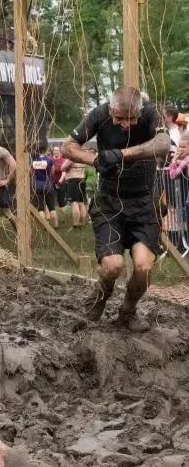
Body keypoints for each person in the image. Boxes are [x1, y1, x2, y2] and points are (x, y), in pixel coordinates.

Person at [61, 86, 169, 326]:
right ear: (111, 110)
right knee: (112, 266)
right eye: (120, 118)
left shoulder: (151, 113)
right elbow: (67, 146)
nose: (126, 125)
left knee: (143, 267)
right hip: (109, 203)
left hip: (144, 203)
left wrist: (121, 155)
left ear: (140, 110)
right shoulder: (98, 115)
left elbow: (163, 144)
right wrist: (96, 159)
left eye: (132, 119)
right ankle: (101, 295)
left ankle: (128, 312)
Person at [31, 144, 58, 228]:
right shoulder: (50, 160)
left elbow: (31, 172)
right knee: (52, 208)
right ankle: (55, 227)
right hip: (48, 185)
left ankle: (43, 227)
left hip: (37, 186)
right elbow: (53, 172)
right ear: (45, 150)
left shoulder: (34, 160)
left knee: (40, 208)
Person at [61, 155, 88, 227]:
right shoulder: (83, 156)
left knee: (74, 203)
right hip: (82, 180)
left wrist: (68, 168)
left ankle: (76, 224)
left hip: (73, 181)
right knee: (81, 203)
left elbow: (62, 167)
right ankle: (82, 223)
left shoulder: (72, 157)